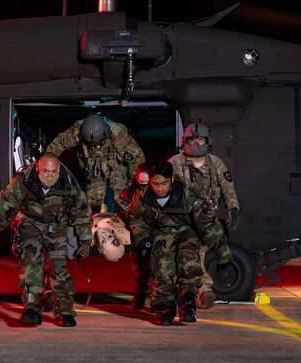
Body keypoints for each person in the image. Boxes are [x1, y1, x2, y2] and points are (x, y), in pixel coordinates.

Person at [0, 152, 92, 327]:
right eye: (45, 172)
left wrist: (85, 241)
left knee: (58, 266)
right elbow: (3, 207)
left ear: (59, 170)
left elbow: (81, 212)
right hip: (29, 222)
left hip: (56, 224)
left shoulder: (68, 183)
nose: (50, 176)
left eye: (53, 172)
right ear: (37, 168)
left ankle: (65, 310)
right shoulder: (23, 182)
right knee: (30, 260)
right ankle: (31, 308)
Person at [128, 161, 232, 326]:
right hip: (160, 234)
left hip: (186, 232)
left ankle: (187, 303)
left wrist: (223, 253)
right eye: (155, 184)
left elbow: (208, 224)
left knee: (188, 262)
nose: (159, 188)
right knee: (160, 266)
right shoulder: (142, 198)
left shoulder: (187, 196)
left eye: (164, 183)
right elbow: (136, 219)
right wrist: (142, 238)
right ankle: (164, 308)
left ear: (172, 180)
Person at [168, 120, 240, 308]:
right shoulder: (175, 163)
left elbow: (228, 189)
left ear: (207, 141)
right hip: (182, 219)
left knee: (198, 254)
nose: (195, 143)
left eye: (200, 139)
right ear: (184, 141)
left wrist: (233, 209)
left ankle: (201, 290)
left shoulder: (215, 163)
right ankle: (195, 291)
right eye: (191, 139)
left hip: (208, 219)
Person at [45, 114, 146, 213]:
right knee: (93, 200)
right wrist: (46, 164)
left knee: (122, 199)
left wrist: (135, 182)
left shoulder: (119, 135)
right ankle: (94, 221)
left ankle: (123, 219)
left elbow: (137, 158)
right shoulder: (77, 131)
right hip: (93, 167)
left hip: (115, 164)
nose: (94, 145)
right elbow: (58, 145)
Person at [116, 162, 153, 310]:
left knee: (159, 267)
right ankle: (141, 294)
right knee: (140, 265)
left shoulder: (159, 186)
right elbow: (121, 204)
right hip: (137, 230)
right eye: (141, 183)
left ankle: (159, 298)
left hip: (156, 230)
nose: (143, 186)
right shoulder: (131, 190)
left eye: (146, 183)